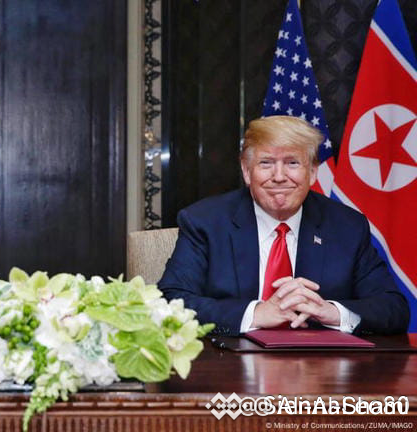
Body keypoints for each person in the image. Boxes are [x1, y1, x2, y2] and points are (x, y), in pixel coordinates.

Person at [158, 115, 409, 336]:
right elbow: (170, 302)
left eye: (292, 163)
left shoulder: (347, 227)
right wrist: (255, 314)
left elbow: (393, 309)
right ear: (247, 171)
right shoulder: (205, 222)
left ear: (312, 172)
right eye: (266, 163)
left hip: (321, 368)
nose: (279, 177)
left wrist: (332, 312)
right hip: (231, 365)